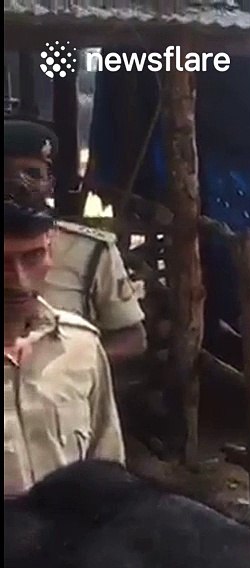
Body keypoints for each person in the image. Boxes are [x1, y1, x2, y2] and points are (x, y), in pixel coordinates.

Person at [4, 201, 126, 497]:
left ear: (51, 249)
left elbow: (106, 466)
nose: (19, 280)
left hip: (70, 541)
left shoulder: (80, 345)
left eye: (33, 257)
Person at [3, 119, 147, 366]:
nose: (18, 184)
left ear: (50, 184)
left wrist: (69, 364)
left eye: (32, 174)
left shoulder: (88, 252)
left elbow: (132, 337)